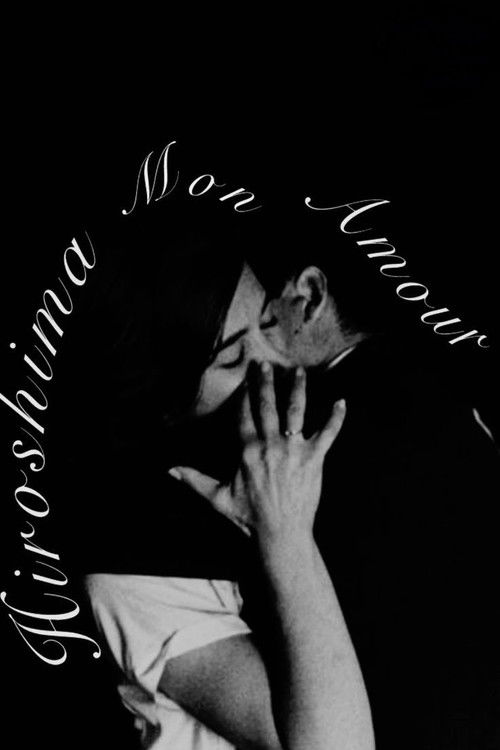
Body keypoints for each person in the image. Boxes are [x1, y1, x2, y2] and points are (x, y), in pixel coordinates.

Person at [163, 211, 500, 749]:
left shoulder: (276, 447)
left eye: (258, 324)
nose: (250, 358)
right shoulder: (452, 400)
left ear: (310, 295)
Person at [80, 209, 375, 750]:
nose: (269, 359)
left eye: (264, 323)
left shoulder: (247, 458)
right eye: (236, 354)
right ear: (165, 400)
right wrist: (287, 537)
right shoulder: (132, 562)